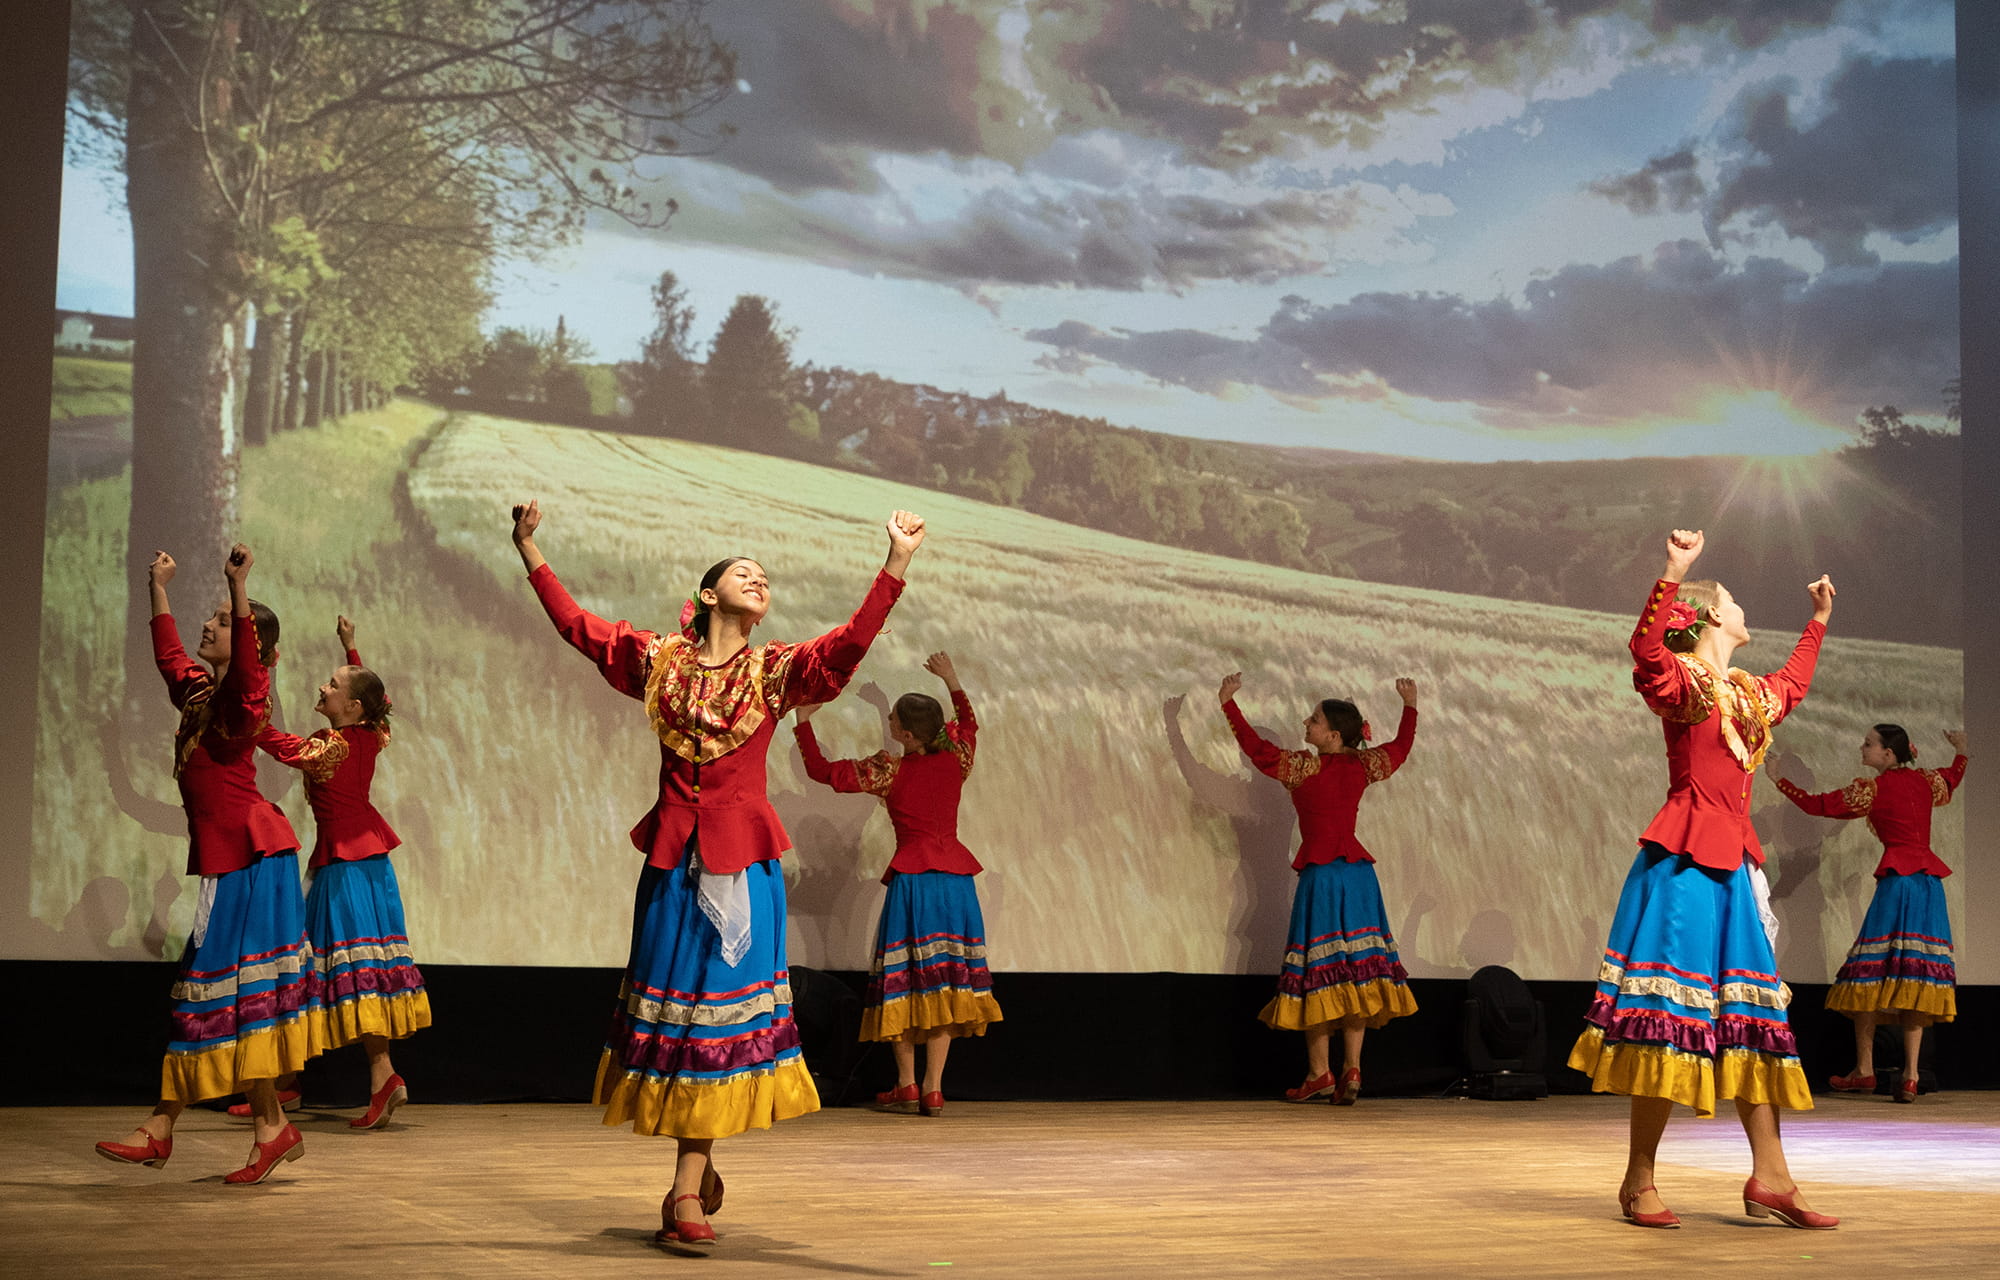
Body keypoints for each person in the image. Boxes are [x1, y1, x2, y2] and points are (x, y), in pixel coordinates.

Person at [512, 499, 925, 1249]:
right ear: (708, 596)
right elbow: (580, 629)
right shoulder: (659, 661)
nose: (757, 580)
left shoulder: (773, 670)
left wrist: (895, 562)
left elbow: (843, 651)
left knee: (713, 1016)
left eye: (765, 578)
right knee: (679, 1021)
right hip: (674, 866)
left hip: (742, 869)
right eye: (743, 573)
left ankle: (682, 1192)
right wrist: (529, 550)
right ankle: (693, 1173)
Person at [1568, 529, 1838, 1230]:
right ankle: (1638, 1180)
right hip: (1686, 867)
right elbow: (1646, 655)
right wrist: (1672, 573)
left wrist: (1818, 624)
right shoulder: (1688, 685)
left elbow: (1792, 687)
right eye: (1733, 601)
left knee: (1751, 1020)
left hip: (1733, 873)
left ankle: (1772, 1176)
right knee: (1670, 1019)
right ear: (1714, 617)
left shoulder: (1746, 693)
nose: (1744, 608)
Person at [94, 544, 325, 1185]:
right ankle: (270, 1128)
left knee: (209, 988)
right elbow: (170, 657)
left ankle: (161, 1128)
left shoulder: (244, 702)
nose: (210, 624)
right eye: (215, 616)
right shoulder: (201, 695)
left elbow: (252, 673)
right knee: (235, 997)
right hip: (240, 859)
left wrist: (240, 585)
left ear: (247, 639)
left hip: (249, 860)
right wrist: (158, 588)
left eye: (223, 621)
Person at [793, 651, 1002, 1117]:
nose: (888, 725)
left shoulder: (890, 769)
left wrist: (804, 722)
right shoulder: (958, 759)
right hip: (956, 886)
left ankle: (908, 1084)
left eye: (892, 721)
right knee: (946, 983)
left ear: (907, 735)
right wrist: (952, 679)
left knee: (906, 982)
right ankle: (932, 1088)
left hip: (915, 884)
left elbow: (822, 772)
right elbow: (968, 724)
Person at [249, 613, 431, 1128]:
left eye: (332, 684)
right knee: (345, 970)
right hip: (369, 867)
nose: (322, 688)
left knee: (331, 969)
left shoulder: (332, 746)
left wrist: (246, 712)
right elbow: (377, 708)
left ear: (350, 706)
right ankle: (301, 1080)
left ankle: (370, 1074)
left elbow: (279, 745)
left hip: (343, 870)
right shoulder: (371, 736)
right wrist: (352, 648)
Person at [1218, 671, 1419, 1105]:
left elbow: (1257, 751)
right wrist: (1410, 707)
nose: (1306, 724)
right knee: (1356, 973)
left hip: (1324, 878)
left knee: (1319, 974)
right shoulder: (1362, 766)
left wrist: (1229, 705)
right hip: (1360, 878)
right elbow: (1400, 751)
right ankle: (1352, 1070)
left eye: (1313, 721)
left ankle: (1319, 1073)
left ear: (1331, 735)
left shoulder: (1302, 767)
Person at [1775, 726, 1969, 1102]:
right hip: (1928, 887)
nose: (1862, 748)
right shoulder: (1927, 782)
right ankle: (1909, 1076)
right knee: (1917, 976)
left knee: (1868, 972)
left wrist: (1780, 781)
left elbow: (1818, 806)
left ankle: (1865, 1069)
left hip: (1898, 884)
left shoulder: (1873, 789)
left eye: (1869, 744)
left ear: (1889, 754)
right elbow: (1954, 775)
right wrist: (1961, 750)